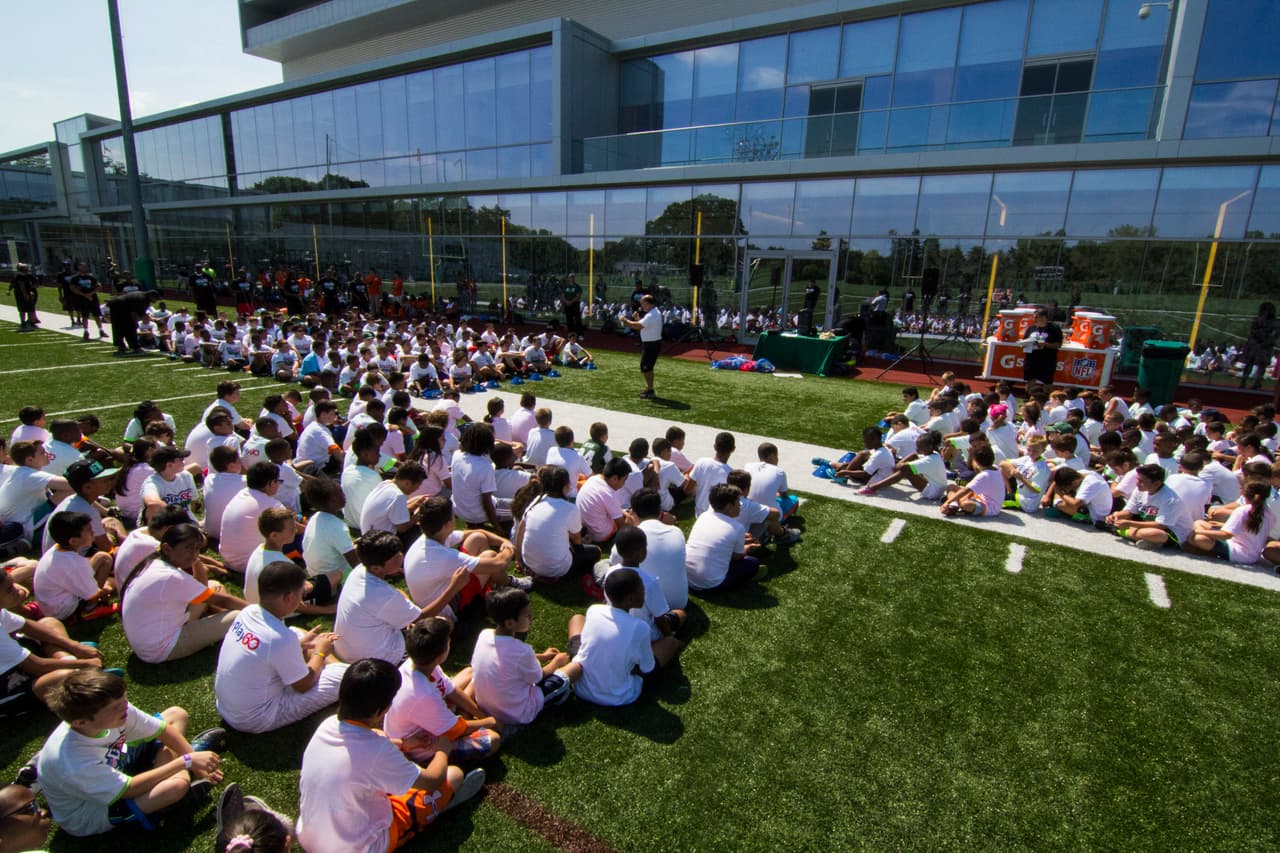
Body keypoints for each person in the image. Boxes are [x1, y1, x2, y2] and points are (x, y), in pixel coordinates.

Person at [296, 659, 486, 853]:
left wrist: (404, 744)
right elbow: (431, 781)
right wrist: (442, 749)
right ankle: (438, 808)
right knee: (453, 775)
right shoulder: (377, 750)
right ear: (381, 710)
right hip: (360, 846)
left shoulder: (327, 725)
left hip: (308, 835)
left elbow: (371, 748)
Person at [35, 669, 225, 836]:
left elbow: (163, 730)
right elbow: (129, 790)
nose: (126, 707)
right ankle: (172, 796)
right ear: (81, 722)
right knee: (175, 788)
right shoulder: (72, 762)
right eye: (115, 707)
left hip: (116, 763)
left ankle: (179, 774)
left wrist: (194, 763)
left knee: (176, 715)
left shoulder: (116, 709)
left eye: (124, 699)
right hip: (94, 811)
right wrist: (186, 761)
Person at [214, 561, 349, 734]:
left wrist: (298, 646)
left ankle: (322, 663)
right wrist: (320, 652)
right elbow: (304, 685)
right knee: (344, 675)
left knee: (295, 632)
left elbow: (264, 649)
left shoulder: (250, 612)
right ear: (289, 597)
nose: (302, 599)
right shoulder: (279, 639)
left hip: (228, 707)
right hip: (255, 718)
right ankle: (333, 666)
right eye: (302, 594)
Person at [333, 532, 466, 665]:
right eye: (395, 557)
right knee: (445, 623)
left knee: (402, 597)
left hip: (346, 650)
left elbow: (397, 594)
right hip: (378, 658)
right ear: (376, 567)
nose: (401, 556)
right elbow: (422, 617)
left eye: (400, 552)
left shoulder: (359, 572)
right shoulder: (383, 595)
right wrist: (453, 588)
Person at [120, 524, 247, 663]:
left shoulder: (153, 562)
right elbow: (222, 600)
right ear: (167, 548)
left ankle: (219, 625)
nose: (194, 553)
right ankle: (224, 627)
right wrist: (260, 610)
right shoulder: (171, 577)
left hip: (151, 637)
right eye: (188, 547)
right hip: (161, 648)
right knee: (240, 616)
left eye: (197, 548)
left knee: (214, 586)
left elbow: (203, 588)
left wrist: (196, 561)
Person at [384, 618, 503, 763]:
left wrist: (480, 714)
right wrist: (490, 721)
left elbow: (450, 690)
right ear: (441, 655)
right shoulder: (423, 694)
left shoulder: (417, 664)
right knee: (492, 740)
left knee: (470, 673)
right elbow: (455, 729)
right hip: (421, 745)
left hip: (429, 717)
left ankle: (463, 715)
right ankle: (457, 729)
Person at [562, 566, 683, 706]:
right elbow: (647, 669)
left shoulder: (593, 610)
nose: (644, 591)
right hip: (619, 695)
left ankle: (580, 660)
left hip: (582, 688)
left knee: (577, 618)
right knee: (670, 642)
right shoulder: (640, 627)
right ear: (631, 598)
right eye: (641, 589)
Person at [0, 568, 105, 717]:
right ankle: (80, 673)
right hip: (6, 687)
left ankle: (75, 668)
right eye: (10, 590)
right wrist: (83, 663)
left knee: (48, 623)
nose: (17, 590)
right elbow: (36, 666)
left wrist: (74, 646)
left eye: (14, 584)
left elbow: (27, 626)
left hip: (17, 666)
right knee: (61, 677)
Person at [469, 587, 573, 725]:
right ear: (510, 623)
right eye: (527, 615)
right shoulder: (522, 651)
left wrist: (543, 656)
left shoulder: (484, 635)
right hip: (516, 714)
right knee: (572, 671)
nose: (531, 617)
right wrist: (557, 662)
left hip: (486, 705)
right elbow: (539, 677)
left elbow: (509, 660)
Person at [515, 466, 600, 581]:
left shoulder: (537, 501)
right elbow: (576, 540)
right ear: (566, 485)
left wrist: (518, 559)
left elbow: (521, 529)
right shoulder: (570, 508)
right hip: (556, 569)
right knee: (595, 552)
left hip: (530, 562)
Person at [685, 484, 759, 593]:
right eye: (738, 502)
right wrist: (747, 547)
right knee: (752, 563)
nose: (740, 505)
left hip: (688, 580)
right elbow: (737, 556)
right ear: (729, 506)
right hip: (712, 585)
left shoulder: (704, 516)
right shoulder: (737, 527)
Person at [622, 293, 662, 399]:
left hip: (651, 344)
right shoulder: (654, 313)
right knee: (648, 367)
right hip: (652, 343)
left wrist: (625, 321)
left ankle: (650, 390)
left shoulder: (651, 314)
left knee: (645, 367)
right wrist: (637, 318)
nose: (641, 306)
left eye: (643, 303)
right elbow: (644, 325)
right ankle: (650, 389)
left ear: (650, 303)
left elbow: (638, 326)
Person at [1020, 308, 1062, 388]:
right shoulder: (1031, 328)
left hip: (1047, 360)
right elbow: (1025, 340)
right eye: (1034, 317)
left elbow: (1058, 344)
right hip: (1031, 359)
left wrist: (1045, 345)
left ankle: (1046, 398)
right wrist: (1023, 344)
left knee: (1047, 382)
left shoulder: (1054, 328)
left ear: (1044, 318)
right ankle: (1028, 397)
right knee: (1030, 380)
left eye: (1036, 317)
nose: (1034, 319)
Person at [1240, 302, 1278, 389]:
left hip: (1265, 346)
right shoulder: (1257, 320)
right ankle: (1243, 381)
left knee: (1262, 365)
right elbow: (1253, 332)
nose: (1266, 313)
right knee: (1249, 363)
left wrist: (1267, 341)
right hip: (1255, 344)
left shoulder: (1274, 322)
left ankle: (1257, 382)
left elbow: (1275, 335)